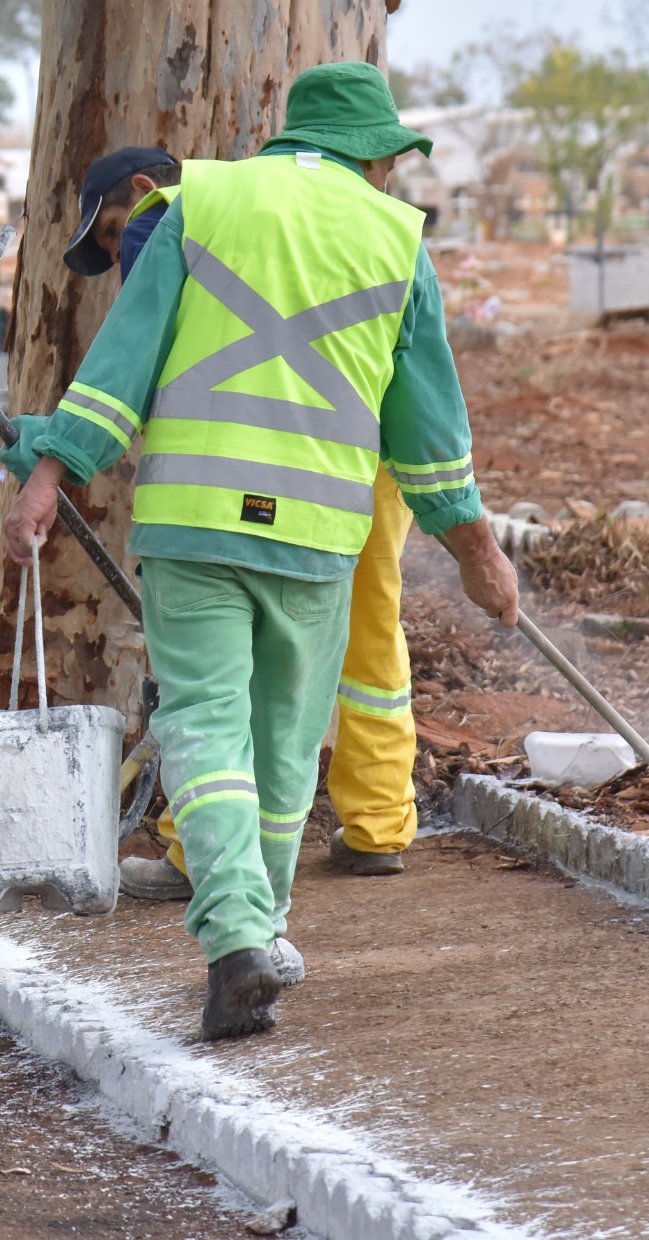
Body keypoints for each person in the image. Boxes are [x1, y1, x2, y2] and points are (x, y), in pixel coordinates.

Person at [5, 62, 519, 1040]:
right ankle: (257, 925)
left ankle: (240, 932)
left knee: (200, 723)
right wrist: (479, 557)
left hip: (191, 520)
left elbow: (122, 365)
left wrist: (49, 475)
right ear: (376, 154)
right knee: (285, 747)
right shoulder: (398, 242)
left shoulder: (199, 202)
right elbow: (428, 437)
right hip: (319, 535)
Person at [63, 149, 425, 900]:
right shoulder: (342, 219)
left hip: (252, 475)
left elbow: (152, 363)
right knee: (371, 635)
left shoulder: (171, 214)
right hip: (365, 457)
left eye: (107, 232)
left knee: (224, 679)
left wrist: (60, 450)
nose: (117, 250)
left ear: (141, 188)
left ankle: (201, 858)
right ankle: (378, 824)